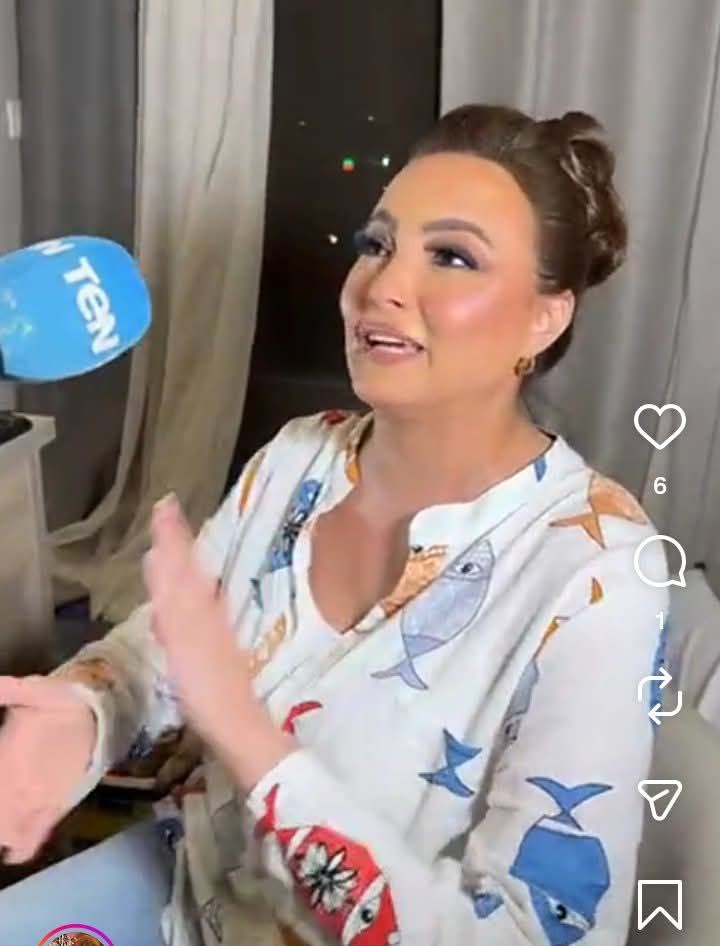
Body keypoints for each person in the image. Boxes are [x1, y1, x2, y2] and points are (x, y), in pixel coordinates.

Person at [0, 104, 668, 946]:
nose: (380, 287)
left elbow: (532, 934)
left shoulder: (601, 571)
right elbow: (167, 653)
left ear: (546, 318)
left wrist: (246, 736)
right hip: (185, 890)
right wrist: (85, 712)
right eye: (377, 243)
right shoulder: (299, 459)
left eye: (452, 257)